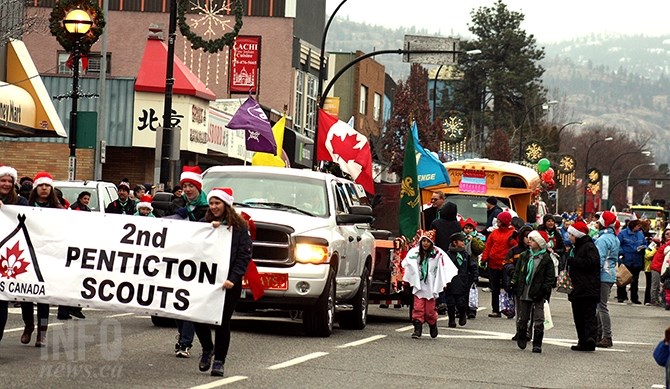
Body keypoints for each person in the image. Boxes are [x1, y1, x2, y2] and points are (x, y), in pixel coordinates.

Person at [193, 187, 252, 376]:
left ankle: (219, 360)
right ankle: (207, 348)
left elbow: (244, 255)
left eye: (217, 203)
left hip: (228, 284)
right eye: (211, 203)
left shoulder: (240, 228)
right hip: (206, 281)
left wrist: (233, 279)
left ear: (226, 205)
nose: (214, 206)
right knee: (198, 317)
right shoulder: (205, 224)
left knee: (222, 322)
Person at [172, 166, 208, 358]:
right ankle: (182, 333)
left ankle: (185, 343)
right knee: (175, 303)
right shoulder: (176, 203)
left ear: (198, 188)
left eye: (191, 186)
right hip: (176, 260)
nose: (187, 189)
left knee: (190, 302)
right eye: (184, 186)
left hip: (198, 262)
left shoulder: (209, 207)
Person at [24, 171, 62, 346]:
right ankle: (28, 325)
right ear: (36, 188)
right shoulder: (24, 206)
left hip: (48, 257)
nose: (44, 188)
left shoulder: (59, 210)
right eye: (41, 185)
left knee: (43, 297)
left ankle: (42, 332)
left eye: (47, 185)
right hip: (26, 256)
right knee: (24, 295)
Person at [402, 229, 457, 339]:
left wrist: (443, 281)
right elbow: (408, 263)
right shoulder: (415, 253)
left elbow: (444, 266)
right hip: (420, 285)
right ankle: (417, 329)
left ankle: (432, 324)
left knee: (429, 311)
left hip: (431, 286)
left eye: (428, 241)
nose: (425, 244)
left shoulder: (438, 254)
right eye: (423, 241)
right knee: (418, 308)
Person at [510, 230, 555, 353]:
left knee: (539, 318)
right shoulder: (525, 256)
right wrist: (514, 282)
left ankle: (537, 343)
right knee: (523, 317)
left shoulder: (546, 258)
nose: (529, 241)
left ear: (539, 243)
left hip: (538, 292)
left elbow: (550, 277)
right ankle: (522, 336)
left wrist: (544, 290)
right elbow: (518, 271)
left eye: (533, 240)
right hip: (525, 290)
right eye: (529, 239)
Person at [0, 165, 29, 345]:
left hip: (9, 257)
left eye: (10, 181)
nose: (6, 184)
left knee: (1, 302)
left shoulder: (21, 201)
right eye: (3, 180)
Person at [566, 220, 601, 352]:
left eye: (571, 235)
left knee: (587, 315)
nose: (569, 237)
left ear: (577, 235)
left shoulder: (588, 247)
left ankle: (590, 339)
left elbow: (593, 263)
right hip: (578, 288)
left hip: (587, 288)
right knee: (580, 316)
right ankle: (583, 340)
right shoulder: (577, 248)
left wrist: (573, 261)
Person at [481, 211, 517, 317]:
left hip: (506, 265)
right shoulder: (494, 233)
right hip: (493, 264)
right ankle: (495, 310)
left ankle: (509, 309)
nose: (497, 222)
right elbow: (488, 246)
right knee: (494, 288)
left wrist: (512, 241)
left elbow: (515, 246)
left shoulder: (512, 233)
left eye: (499, 220)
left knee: (508, 287)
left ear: (504, 221)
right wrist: (484, 258)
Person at [593, 211, 620, 348]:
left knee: (602, 306)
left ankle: (606, 336)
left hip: (603, 274)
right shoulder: (615, 238)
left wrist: (593, 273)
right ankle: (599, 334)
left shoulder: (602, 239)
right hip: (610, 273)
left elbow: (599, 259)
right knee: (600, 305)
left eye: (599, 221)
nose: (597, 224)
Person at [431, 201, 462, 314]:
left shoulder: (436, 223)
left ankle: (441, 300)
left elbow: (432, 238)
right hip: (454, 254)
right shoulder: (457, 225)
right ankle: (454, 303)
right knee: (452, 278)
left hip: (439, 253)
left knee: (439, 278)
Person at [444, 232, 478, 328]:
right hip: (450, 282)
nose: (464, 243)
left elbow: (472, 266)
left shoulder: (465, 255)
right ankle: (451, 319)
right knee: (450, 302)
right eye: (461, 241)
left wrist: (474, 277)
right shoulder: (448, 255)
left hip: (462, 282)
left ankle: (462, 314)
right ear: (455, 243)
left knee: (461, 302)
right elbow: (443, 267)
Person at [617, 219, 647, 304]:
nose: (639, 227)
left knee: (635, 280)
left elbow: (645, 243)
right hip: (626, 258)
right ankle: (621, 296)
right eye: (638, 226)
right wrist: (621, 253)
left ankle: (634, 298)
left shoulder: (640, 234)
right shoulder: (623, 233)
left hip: (636, 260)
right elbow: (618, 244)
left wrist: (643, 247)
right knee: (623, 278)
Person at [651, 227, 670, 307]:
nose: (669, 235)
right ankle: (654, 300)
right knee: (655, 285)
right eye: (667, 234)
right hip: (657, 266)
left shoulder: (664, 244)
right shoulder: (666, 245)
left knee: (659, 285)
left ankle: (657, 299)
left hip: (660, 266)